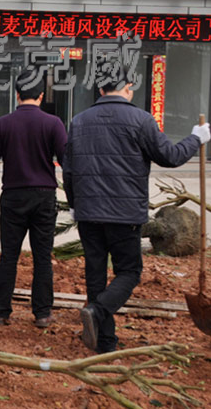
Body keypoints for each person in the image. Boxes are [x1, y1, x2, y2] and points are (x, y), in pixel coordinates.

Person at [63, 62, 210, 353]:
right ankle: (97, 312)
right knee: (129, 271)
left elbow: (69, 170)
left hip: (88, 213)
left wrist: (74, 205)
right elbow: (170, 156)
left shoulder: (79, 121)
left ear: (100, 89)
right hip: (124, 215)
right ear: (128, 88)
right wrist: (197, 138)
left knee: (95, 275)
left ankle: (104, 342)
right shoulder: (141, 120)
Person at [0, 71, 67, 328]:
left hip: (13, 197)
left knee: (9, 255)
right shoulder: (53, 123)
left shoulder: (3, 124)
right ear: (41, 96)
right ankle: (43, 314)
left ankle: (1, 311)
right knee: (43, 256)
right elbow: (68, 161)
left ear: (17, 95)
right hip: (44, 197)